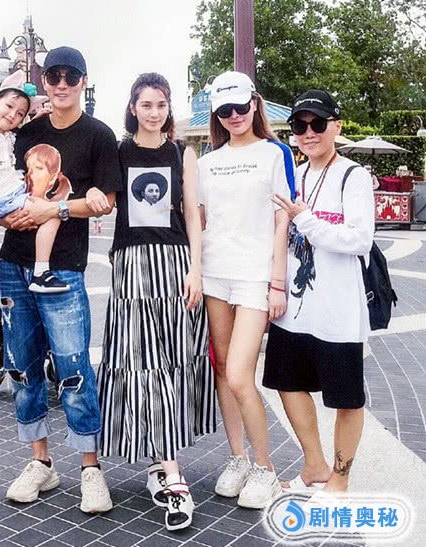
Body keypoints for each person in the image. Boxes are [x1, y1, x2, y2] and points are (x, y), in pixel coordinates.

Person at [0, 46, 121, 513]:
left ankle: (89, 467)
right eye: (53, 76)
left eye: (70, 76)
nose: (61, 84)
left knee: (73, 367)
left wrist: (52, 209)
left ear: (83, 81)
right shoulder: (26, 131)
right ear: (44, 81)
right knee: (22, 367)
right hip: (14, 262)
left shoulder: (98, 134)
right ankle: (40, 460)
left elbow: (106, 201)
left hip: (64, 266)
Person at [97, 73, 212, 531]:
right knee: (140, 361)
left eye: (161, 104)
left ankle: (163, 465)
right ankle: (168, 470)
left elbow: (191, 215)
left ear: (169, 107)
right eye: (145, 104)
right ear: (133, 107)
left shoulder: (182, 153)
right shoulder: (119, 152)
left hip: (174, 262)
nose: (154, 112)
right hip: (131, 264)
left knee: (169, 360)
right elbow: (102, 198)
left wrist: (196, 269)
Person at [265, 90, 374, 494]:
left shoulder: (352, 176)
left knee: (346, 399)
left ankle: (340, 479)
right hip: (295, 308)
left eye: (318, 123)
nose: (308, 132)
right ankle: (314, 464)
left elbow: (360, 239)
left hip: (338, 311)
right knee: (286, 382)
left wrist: (306, 219)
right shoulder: (295, 175)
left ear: (336, 126)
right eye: (300, 125)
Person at [198, 71, 293, 509]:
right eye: (225, 110)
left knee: (239, 374)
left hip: (255, 276)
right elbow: (200, 220)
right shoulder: (206, 162)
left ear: (254, 103)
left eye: (240, 106)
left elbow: (282, 218)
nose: (234, 116)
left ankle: (265, 467)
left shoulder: (275, 154)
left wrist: (278, 282)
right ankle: (237, 457)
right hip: (215, 273)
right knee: (223, 371)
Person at [0, 71, 70, 293]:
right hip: (2, 196)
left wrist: (37, 118)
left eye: (20, 113)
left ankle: (40, 270)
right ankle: (41, 272)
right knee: (54, 212)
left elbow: (23, 133)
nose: (13, 115)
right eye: (9, 106)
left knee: (48, 211)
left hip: (13, 193)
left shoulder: (7, 135)